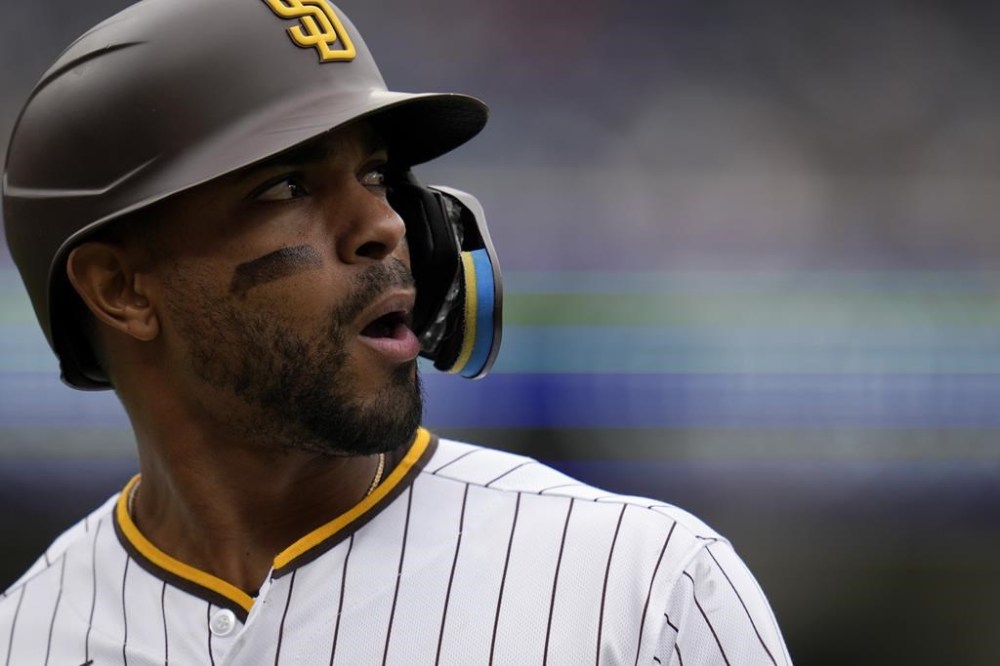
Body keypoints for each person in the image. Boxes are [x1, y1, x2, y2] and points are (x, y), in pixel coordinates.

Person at [0, 0, 791, 663]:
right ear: (121, 289)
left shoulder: (646, 592)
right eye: (286, 184)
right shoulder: (25, 637)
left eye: (377, 176)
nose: (385, 224)